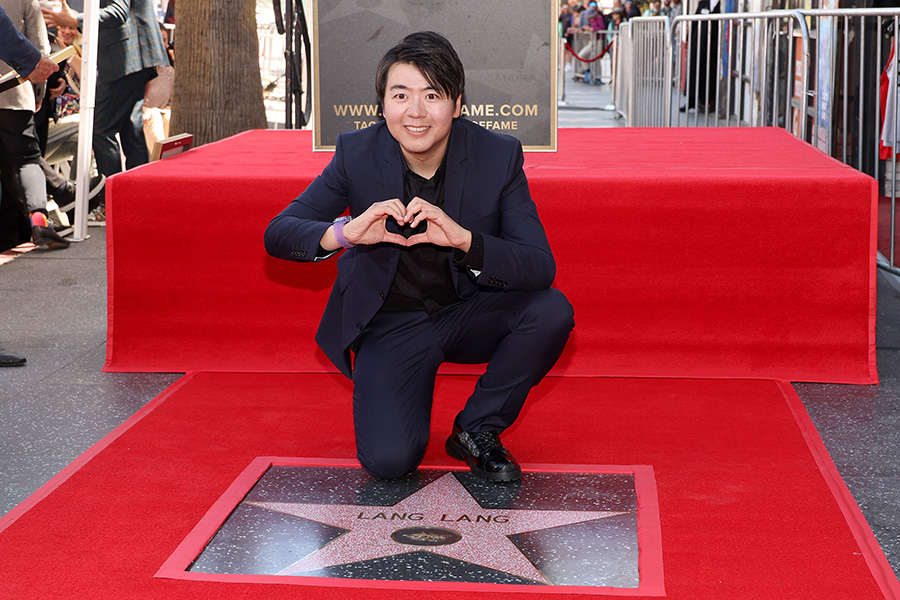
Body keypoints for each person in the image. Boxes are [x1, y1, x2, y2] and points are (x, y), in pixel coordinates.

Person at [265, 32, 574, 483]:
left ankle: (477, 427)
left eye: (432, 95)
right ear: (383, 104)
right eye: (401, 95)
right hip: (392, 321)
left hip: (469, 311)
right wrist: (345, 233)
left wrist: (467, 240)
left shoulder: (496, 155)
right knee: (389, 462)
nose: (415, 111)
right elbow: (280, 233)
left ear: (457, 104)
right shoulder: (358, 153)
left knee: (550, 311)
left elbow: (539, 266)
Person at [42, 0, 168, 179]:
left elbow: (118, 11)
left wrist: (76, 19)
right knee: (131, 134)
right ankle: (131, 197)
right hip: (133, 55)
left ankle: (111, 198)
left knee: (100, 129)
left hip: (126, 57)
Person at [0, 3, 59, 367]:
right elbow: (35, 43)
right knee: (25, 160)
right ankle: (39, 218)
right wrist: (33, 62)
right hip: (15, 94)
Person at [0, 0, 69, 249]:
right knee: (27, 160)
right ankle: (40, 223)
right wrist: (39, 92)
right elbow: (40, 47)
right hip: (13, 93)